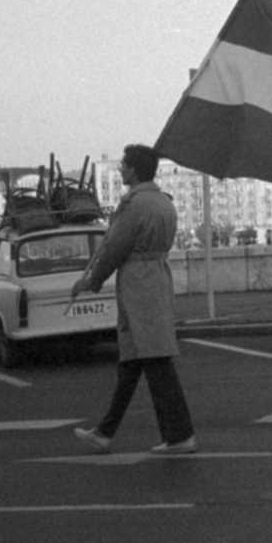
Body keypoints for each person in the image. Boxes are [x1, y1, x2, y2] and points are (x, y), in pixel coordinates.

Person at [71, 144, 195, 455]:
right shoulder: (164, 203)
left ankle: (179, 435)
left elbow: (114, 249)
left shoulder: (133, 205)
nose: (120, 169)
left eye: (123, 165)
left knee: (152, 360)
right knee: (135, 362)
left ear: (134, 170)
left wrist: (92, 280)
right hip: (157, 279)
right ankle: (105, 431)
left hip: (138, 285)